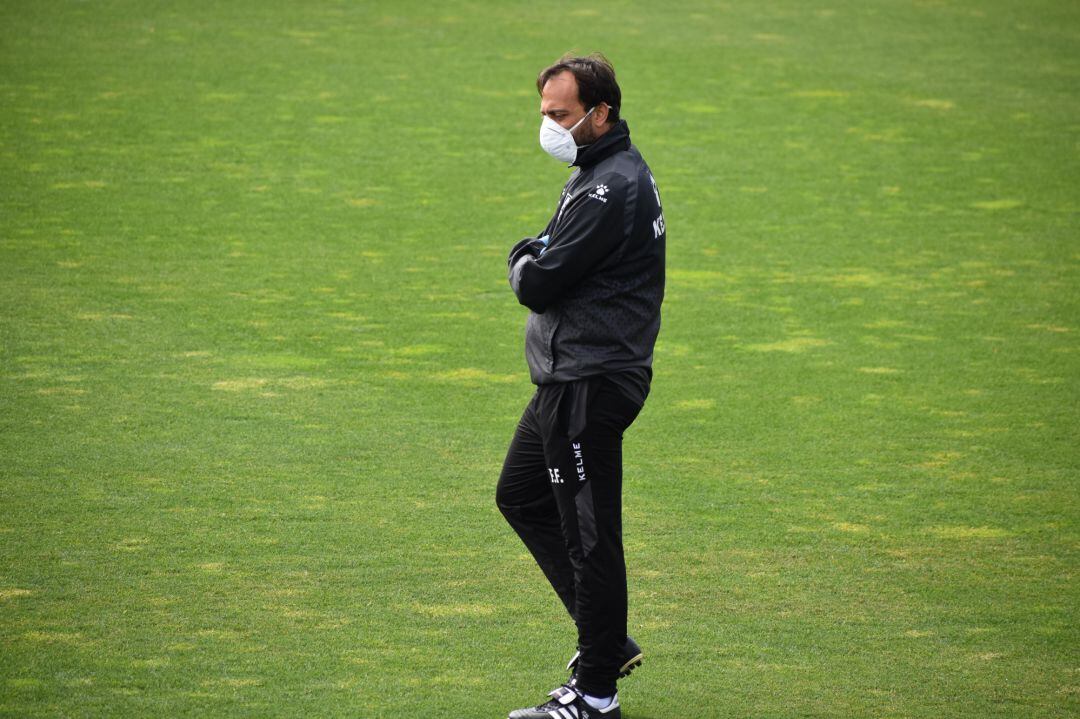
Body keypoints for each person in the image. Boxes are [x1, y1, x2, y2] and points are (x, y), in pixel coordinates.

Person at [497, 52, 666, 719]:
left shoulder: (606, 189)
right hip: (568, 380)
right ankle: (605, 637)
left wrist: (519, 255)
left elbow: (535, 278)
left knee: (590, 533)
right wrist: (537, 251)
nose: (551, 126)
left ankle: (596, 693)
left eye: (562, 115)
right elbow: (552, 252)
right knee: (520, 494)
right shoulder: (601, 169)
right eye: (544, 113)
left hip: (588, 385)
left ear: (601, 113)